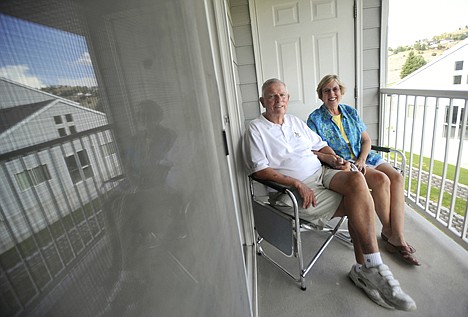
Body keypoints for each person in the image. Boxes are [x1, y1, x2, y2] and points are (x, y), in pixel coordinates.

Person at [243, 78, 417, 311]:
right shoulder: (255, 129)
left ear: (288, 98)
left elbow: (320, 145)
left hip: (322, 172)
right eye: (272, 96)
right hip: (295, 189)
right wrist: (296, 183)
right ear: (262, 100)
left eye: (282, 95)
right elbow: (260, 170)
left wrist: (331, 157)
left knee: (357, 179)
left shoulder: (295, 121)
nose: (278, 100)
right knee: (357, 200)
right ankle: (368, 268)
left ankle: (369, 268)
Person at [307, 75, 420, 266]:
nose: (331, 94)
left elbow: (366, 140)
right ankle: (391, 233)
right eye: (326, 90)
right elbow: (315, 149)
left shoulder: (350, 112)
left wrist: (362, 159)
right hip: (344, 164)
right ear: (321, 95)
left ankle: (395, 234)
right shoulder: (315, 119)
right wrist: (342, 161)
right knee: (382, 180)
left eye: (335, 89)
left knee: (397, 177)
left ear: (341, 91)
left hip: (365, 157)